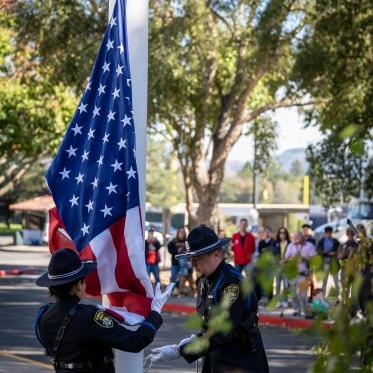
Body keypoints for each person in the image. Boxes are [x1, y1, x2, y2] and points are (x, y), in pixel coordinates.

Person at [146, 225, 269, 373]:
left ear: (216, 255)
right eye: (191, 259)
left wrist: (181, 350)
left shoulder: (231, 282)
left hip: (239, 362)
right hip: (217, 358)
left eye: (198, 258)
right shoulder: (206, 280)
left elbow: (224, 332)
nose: (193, 264)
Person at [35, 248, 174, 372]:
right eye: (83, 281)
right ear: (77, 286)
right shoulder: (90, 318)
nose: (85, 285)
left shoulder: (43, 316)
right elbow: (134, 342)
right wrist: (155, 311)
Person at [285, 231, 317, 317]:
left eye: (298, 236)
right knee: (293, 294)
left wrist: (304, 258)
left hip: (304, 273)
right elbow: (286, 258)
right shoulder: (291, 245)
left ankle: (307, 312)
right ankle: (297, 310)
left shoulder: (309, 245)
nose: (296, 238)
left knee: (302, 294)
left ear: (302, 237)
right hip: (293, 274)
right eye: (295, 236)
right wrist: (293, 259)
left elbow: (314, 259)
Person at [317, 226, 340, 296]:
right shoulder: (321, 241)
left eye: (329, 232)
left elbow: (339, 250)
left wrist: (333, 253)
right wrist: (326, 252)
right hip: (325, 262)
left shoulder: (335, 241)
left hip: (333, 262)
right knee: (324, 281)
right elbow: (319, 251)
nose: (328, 234)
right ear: (325, 233)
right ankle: (323, 296)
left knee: (336, 280)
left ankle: (339, 296)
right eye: (327, 233)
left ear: (331, 233)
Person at [257, 227, 278, 300]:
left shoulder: (274, 242)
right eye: (265, 232)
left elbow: (274, 252)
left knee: (270, 282)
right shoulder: (261, 242)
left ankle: (270, 299)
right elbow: (260, 252)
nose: (267, 233)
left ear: (270, 233)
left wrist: (266, 250)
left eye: (268, 232)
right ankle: (261, 298)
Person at [275, 227, 291, 307]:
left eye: (284, 233)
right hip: (278, 266)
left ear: (286, 234)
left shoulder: (290, 243)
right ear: (279, 234)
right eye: (281, 233)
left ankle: (285, 301)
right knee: (278, 284)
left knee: (286, 284)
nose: (282, 234)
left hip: (286, 266)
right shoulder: (276, 243)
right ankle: (278, 301)